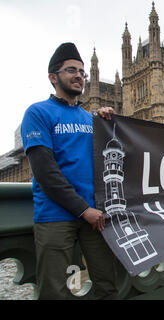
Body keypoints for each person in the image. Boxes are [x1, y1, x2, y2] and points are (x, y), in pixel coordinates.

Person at [21, 42, 118, 299]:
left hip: (95, 217)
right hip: (55, 215)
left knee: (107, 286)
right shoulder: (38, 113)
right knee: (54, 290)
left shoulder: (91, 119)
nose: (78, 76)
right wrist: (83, 209)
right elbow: (45, 172)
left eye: (82, 72)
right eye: (71, 70)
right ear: (53, 77)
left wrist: (110, 124)